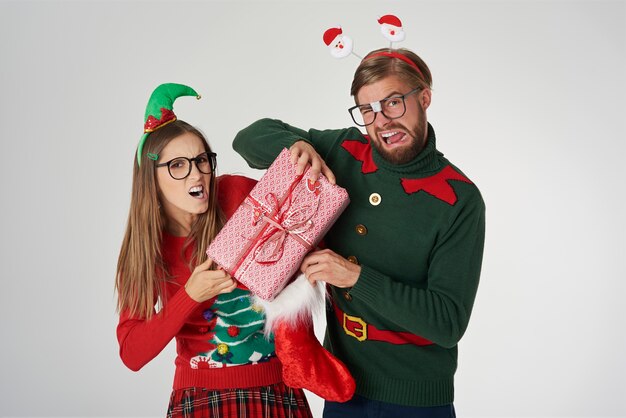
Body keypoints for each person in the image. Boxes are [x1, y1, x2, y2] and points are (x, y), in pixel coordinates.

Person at [233, 48, 486, 417]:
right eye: (368, 110)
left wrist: (353, 277)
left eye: (393, 103)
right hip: (341, 389)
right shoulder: (344, 149)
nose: (381, 121)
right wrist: (296, 147)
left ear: (425, 97)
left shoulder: (459, 198)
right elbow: (249, 138)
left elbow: (447, 322)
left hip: (418, 400)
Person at [115, 83, 313, 418]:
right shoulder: (147, 250)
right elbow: (133, 354)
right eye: (178, 165)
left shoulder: (235, 194)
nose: (197, 174)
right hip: (199, 399)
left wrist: (302, 149)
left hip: (276, 391)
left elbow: (305, 214)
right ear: (151, 177)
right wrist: (189, 295)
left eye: (202, 160)